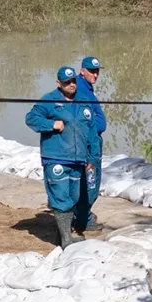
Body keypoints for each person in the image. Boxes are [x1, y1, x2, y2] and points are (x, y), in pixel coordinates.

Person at [25, 66, 100, 248]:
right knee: (60, 197)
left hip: (77, 159)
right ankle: (66, 240)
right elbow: (31, 118)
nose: (71, 84)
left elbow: (92, 132)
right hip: (56, 157)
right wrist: (51, 124)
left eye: (73, 81)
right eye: (67, 82)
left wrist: (92, 158)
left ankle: (63, 236)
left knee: (73, 197)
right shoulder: (49, 100)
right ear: (59, 83)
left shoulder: (83, 101)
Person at [74, 55, 109, 234]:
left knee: (86, 183)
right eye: (91, 71)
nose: (95, 75)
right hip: (88, 145)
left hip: (91, 142)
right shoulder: (80, 90)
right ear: (82, 70)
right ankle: (83, 220)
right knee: (90, 184)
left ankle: (82, 215)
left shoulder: (86, 88)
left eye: (97, 71)